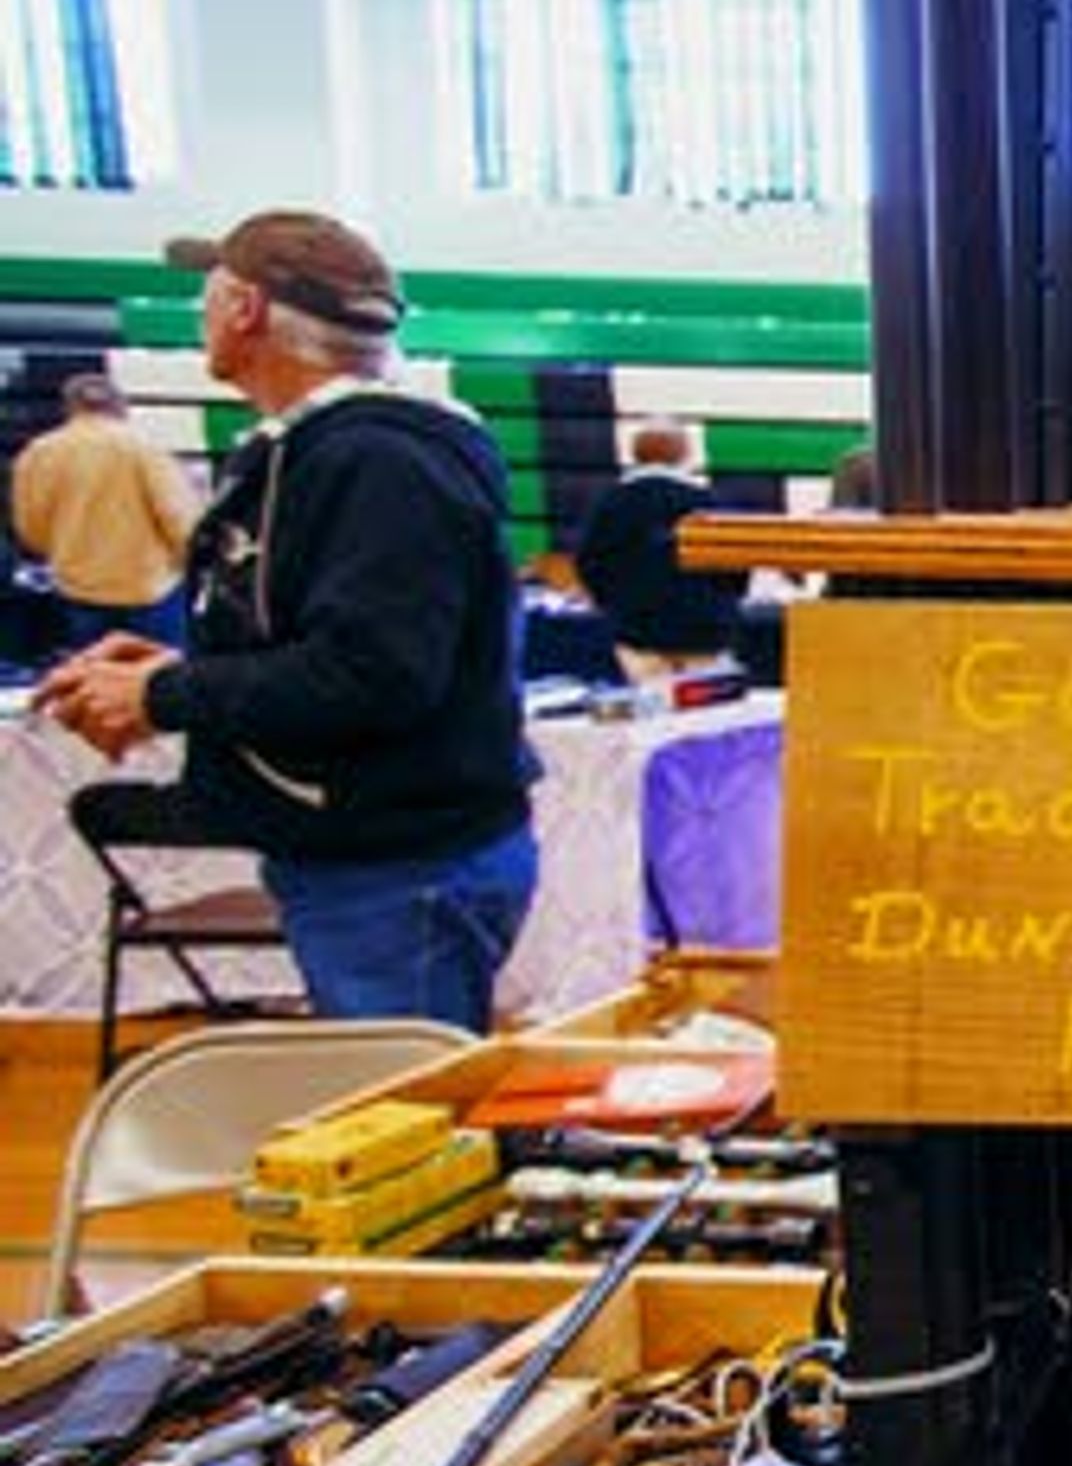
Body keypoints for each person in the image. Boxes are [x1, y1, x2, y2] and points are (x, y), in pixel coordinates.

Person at [38, 209, 537, 1033]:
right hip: (377, 855)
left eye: (208, 293)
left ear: (244, 309)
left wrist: (167, 694)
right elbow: (348, 640)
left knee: (396, 1125)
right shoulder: (341, 452)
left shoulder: (376, 460)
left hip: (396, 862)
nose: (199, 311)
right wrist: (169, 670)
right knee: (396, 1115)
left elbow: (374, 673)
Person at [11, 372, 199, 649]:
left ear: (69, 407)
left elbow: (30, 530)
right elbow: (179, 520)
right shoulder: (142, 448)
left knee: (93, 683)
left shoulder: (37, 454)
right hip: (148, 592)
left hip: (77, 591)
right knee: (160, 680)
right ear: (119, 406)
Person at [572, 415, 746, 678]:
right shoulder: (707, 504)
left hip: (637, 630)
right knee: (707, 713)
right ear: (684, 453)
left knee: (651, 710)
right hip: (704, 631)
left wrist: (612, 605)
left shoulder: (611, 503)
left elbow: (589, 563)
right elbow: (734, 567)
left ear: (635, 453)